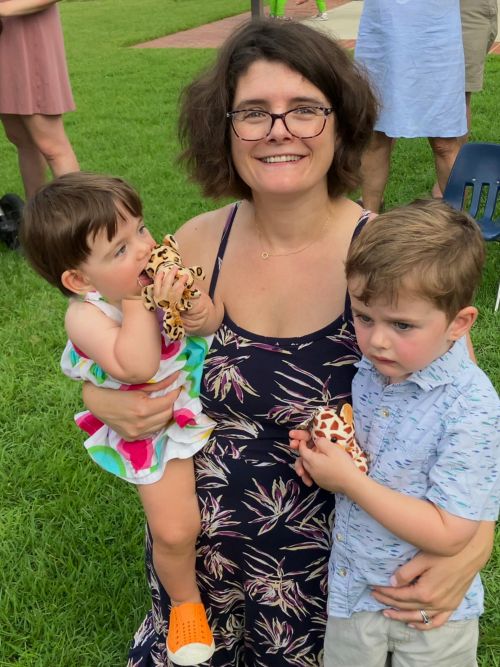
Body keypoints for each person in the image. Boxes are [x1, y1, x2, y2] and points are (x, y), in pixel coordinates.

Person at [80, 20, 495, 666]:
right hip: (205, 576)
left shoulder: (390, 260)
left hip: (332, 588)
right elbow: (119, 353)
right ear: (225, 127)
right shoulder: (193, 247)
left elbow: (464, 412)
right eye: (255, 112)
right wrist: (97, 395)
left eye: (305, 108)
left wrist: (478, 541)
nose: (280, 130)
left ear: (342, 120)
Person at [20, 172, 224, 666]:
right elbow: (137, 366)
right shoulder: (87, 315)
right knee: (176, 529)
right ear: (80, 280)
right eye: (119, 249)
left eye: (141, 230)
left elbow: (210, 324)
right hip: (156, 427)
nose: (143, 249)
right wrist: (139, 302)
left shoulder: (153, 279)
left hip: (200, 395)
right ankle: (184, 605)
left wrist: (194, 306)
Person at [291, 198, 500, 667]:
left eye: (402, 324)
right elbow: (372, 458)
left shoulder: (470, 405)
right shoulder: (373, 371)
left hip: (427, 610)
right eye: (364, 317)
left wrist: (350, 482)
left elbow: (451, 533)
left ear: (459, 324)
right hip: (353, 588)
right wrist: (325, 453)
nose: (378, 340)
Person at [354, 0, 466, 212]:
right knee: (377, 136)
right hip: (383, 26)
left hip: (437, 28)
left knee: (445, 140)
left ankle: (458, 228)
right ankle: (368, 220)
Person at [0, 0, 79, 198]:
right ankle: (36, 222)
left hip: (29, 30)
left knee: (52, 145)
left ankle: (82, 225)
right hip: (4, 36)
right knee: (20, 137)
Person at [432, 0, 498, 198]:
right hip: (406, 10)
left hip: (464, 7)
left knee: (458, 94)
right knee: (388, 96)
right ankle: (371, 200)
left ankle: (451, 188)